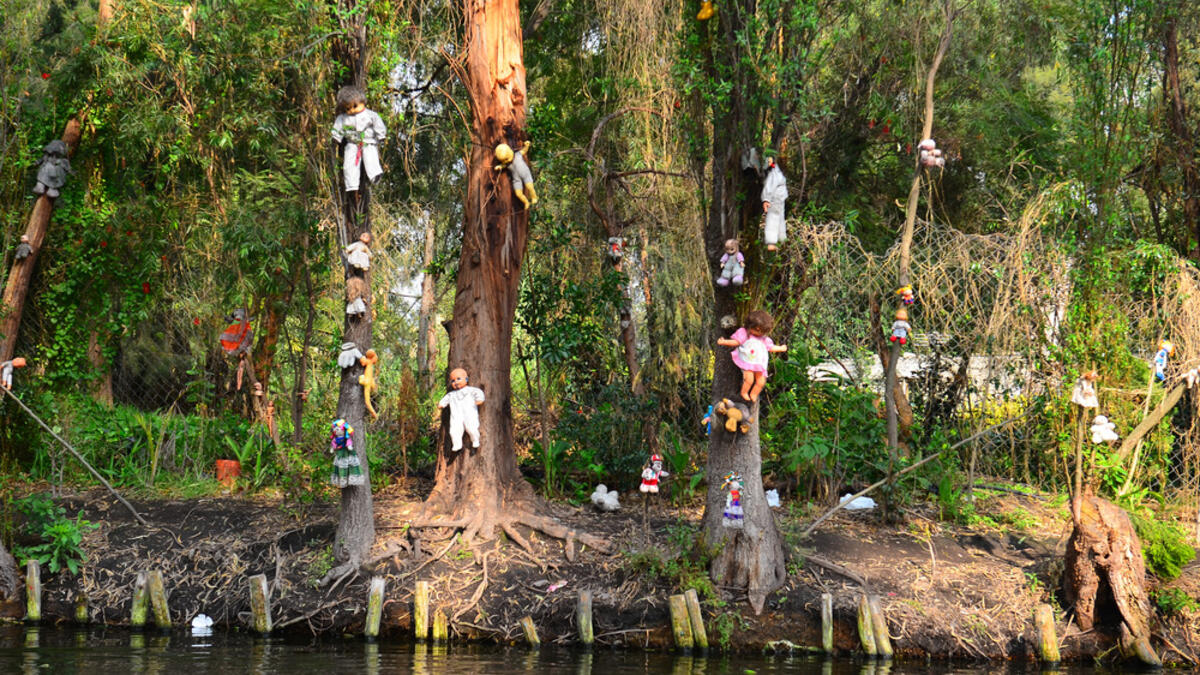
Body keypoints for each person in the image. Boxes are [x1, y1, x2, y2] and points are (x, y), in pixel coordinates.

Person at [717, 309, 787, 402]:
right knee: (749, 379)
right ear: (753, 327)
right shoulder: (745, 333)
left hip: (759, 364)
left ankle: (754, 394)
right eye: (759, 330)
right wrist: (724, 342)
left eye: (763, 332)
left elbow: (770, 347)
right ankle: (744, 392)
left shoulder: (764, 338)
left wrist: (780, 348)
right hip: (748, 362)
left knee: (761, 381)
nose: (761, 333)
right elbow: (736, 342)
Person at [331, 86, 386, 193]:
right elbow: (338, 127)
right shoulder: (343, 118)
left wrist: (381, 135)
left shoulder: (370, 115)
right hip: (352, 144)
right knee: (349, 164)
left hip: (368, 142)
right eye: (348, 109)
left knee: (371, 157)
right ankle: (351, 185)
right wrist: (336, 137)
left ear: (362, 101)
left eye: (355, 106)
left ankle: (375, 175)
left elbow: (378, 124)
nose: (352, 110)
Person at [439, 368, 485, 451]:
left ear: (466, 379)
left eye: (458, 379)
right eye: (453, 381)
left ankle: (475, 440)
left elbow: (479, 392)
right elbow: (445, 399)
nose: (456, 382)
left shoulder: (471, 390)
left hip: (469, 412)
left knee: (472, 427)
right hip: (456, 414)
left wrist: (479, 400)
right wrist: (442, 404)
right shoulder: (452, 394)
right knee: (454, 430)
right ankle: (457, 444)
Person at [760, 157, 787, 251]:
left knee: (779, 218)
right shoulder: (773, 173)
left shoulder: (776, 171)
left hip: (779, 199)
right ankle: (771, 242)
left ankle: (781, 239)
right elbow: (769, 186)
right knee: (773, 218)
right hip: (774, 199)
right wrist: (766, 199)